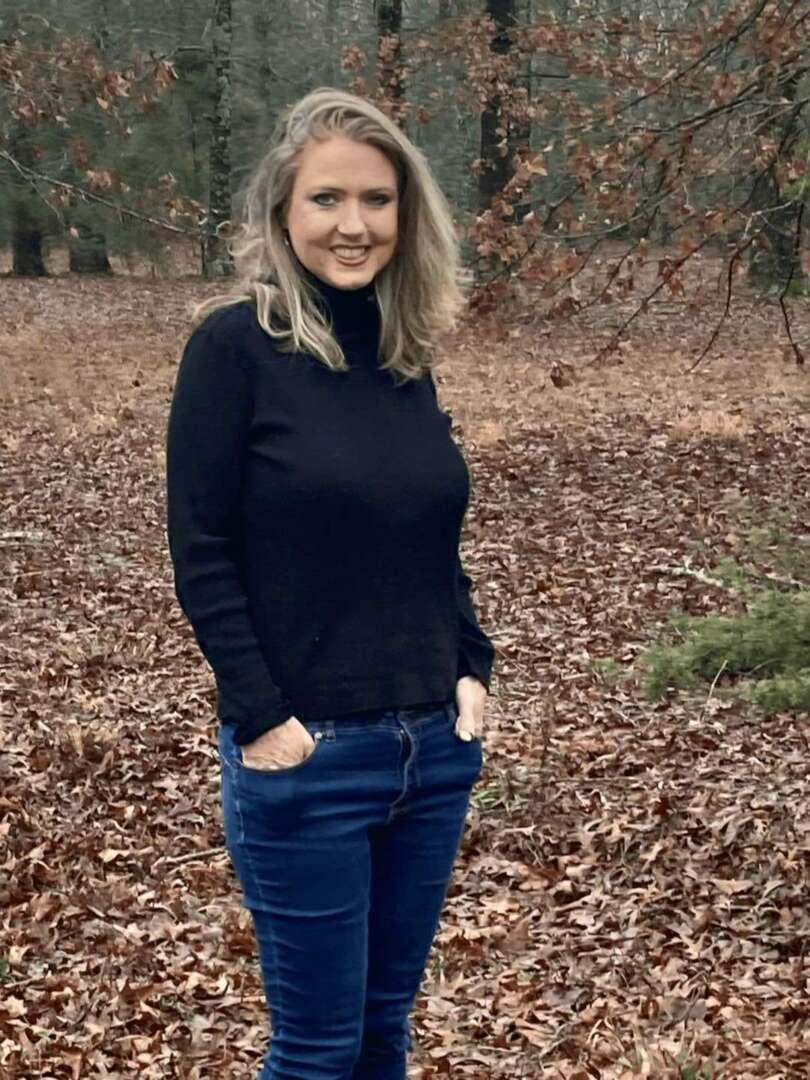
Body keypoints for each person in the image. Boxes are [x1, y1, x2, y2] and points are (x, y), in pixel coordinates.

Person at [165, 86, 496, 1080]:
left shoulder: (403, 355)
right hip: (308, 758)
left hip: (432, 752)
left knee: (382, 1032)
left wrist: (470, 665)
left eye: (377, 199)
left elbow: (425, 533)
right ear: (282, 211)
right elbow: (201, 547)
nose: (354, 224)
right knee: (316, 1052)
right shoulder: (233, 350)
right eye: (327, 198)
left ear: (407, 214)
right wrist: (262, 716)